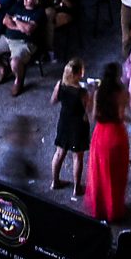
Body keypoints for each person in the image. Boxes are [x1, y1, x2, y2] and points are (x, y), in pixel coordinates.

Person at [85, 62, 131, 223]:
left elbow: (93, 116)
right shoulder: (121, 92)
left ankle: (100, 208)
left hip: (101, 134)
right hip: (116, 134)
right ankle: (114, 209)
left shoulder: (98, 92)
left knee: (100, 173)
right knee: (116, 175)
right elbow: (120, 115)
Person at [50, 59, 91, 193]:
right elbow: (88, 110)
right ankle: (76, 187)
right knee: (77, 157)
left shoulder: (60, 85)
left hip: (64, 122)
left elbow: (53, 100)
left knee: (59, 152)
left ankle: (55, 181)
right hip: (78, 126)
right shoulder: (82, 92)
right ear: (77, 74)